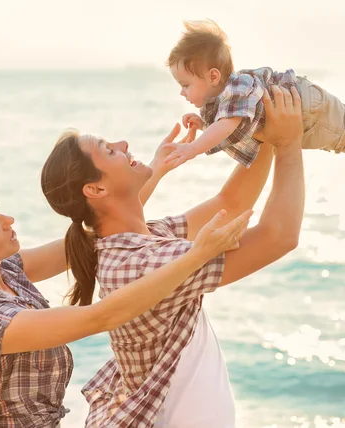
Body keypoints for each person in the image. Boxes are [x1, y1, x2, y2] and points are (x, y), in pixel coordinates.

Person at [0, 132, 251, 427]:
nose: (8, 219)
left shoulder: (4, 270)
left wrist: (149, 173)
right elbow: (104, 316)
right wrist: (195, 257)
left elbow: (94, 233)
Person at [41, 84, 305, 427]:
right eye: (109, 150)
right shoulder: (137, 262)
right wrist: (289, 143)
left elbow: (231, 204)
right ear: (96, 190)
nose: (123, 145)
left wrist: (264, 133)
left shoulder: (144, 239)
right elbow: (279, 236)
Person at [164, 20, 345, 168]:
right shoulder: (226, 102)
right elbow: (226, 124)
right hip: (303, 112)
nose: (181, 92)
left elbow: (227, 125)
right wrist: (203, 125)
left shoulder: (237, 87)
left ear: (213, 77)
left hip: (304, 109)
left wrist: (192, 149)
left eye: (186, 85)